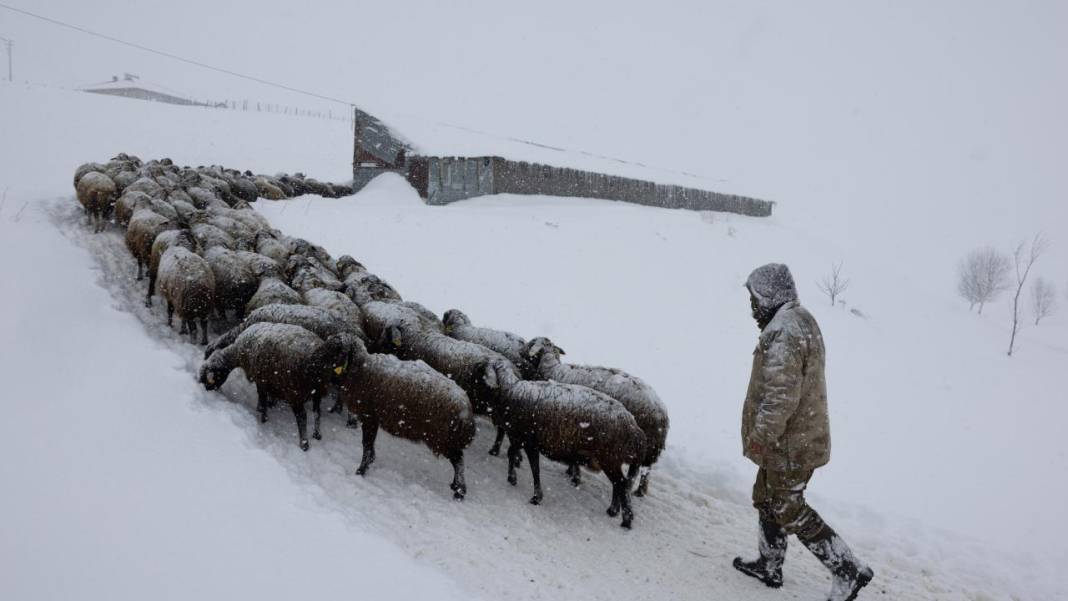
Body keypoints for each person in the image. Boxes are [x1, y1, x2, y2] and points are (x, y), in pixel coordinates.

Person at [733, 263, 874, 601]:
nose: (752, 309)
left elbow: (781, 394)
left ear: (770, 296)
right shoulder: (797, 320)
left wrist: (761, 434)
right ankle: (770, 564)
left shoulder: (784, 330)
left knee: (788, 506)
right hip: (791, 439)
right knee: (767, 498)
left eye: (754, 300)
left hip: (788, 445)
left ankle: (847, 569)